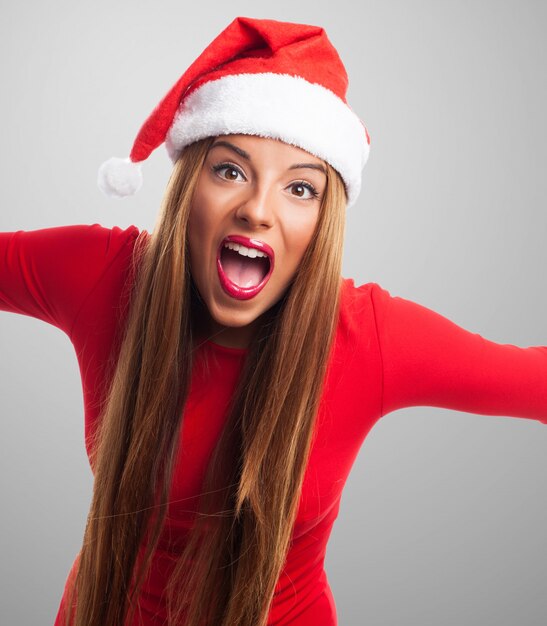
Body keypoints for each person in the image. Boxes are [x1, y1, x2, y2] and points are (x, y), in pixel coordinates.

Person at [1, 15, 546, 626]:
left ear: (324, 221)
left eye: (300, 189)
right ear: (188, 184)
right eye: (229, 170)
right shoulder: (106, 276)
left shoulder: (364, 335)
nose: (257, 210)